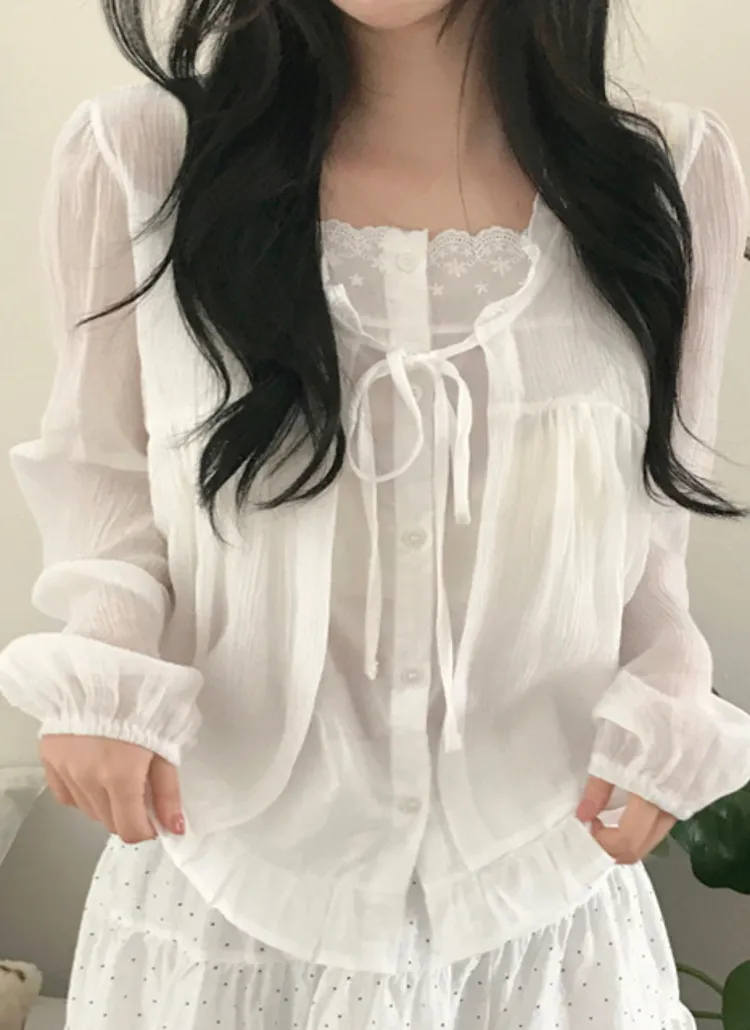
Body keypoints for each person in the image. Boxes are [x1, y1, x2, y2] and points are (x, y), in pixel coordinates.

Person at [1, 0, 749, 1026]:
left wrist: (666, 696)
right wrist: (106, 655)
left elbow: (650, 528)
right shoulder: (138, 159)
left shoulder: (674, 176)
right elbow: (103, 470)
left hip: (537, 905)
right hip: (231, 897)